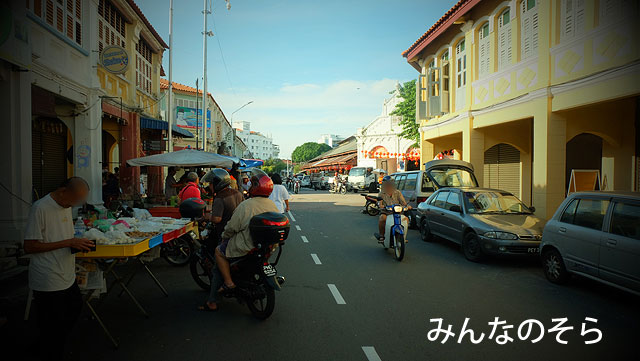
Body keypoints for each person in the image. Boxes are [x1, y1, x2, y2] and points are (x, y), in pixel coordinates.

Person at [23, 177, 95, 361]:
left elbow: (61, 235)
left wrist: (78, 243)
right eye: (75, 199)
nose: (76, 203)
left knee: (73, 309)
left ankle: (39, 348)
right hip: (47, 278)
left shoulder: (65, 206)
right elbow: (30, 246)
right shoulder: (41, 208)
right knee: (52, 328)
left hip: (66, 274)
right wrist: (69, 242)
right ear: (63, 191)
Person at [214, 170, 279, 294]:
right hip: (266, 247)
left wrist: (224, 236)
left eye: (251, 184)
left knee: (219, 251)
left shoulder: (246, 205)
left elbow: (232, 227)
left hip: (247, 246)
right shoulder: (272, 205)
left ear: (255, 187)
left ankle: (228, 282)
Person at [198, 168, 244, 312]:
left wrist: (206, 217)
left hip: (226, 236)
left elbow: (217, 218)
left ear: (217, 183)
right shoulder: (237, 193)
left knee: (217, 268)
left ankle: (212, 302)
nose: (209, 187)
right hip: (240, 235)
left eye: (211, 184)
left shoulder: (220, 198)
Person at [374, 176, 410, 243]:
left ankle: (403, 237)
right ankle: (382, 236)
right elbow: (379, 202)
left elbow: (403, 202)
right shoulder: (381, 193)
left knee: (406, 220)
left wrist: (407, 206)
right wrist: (380, 205)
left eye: (390, 184)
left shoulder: (398, 193)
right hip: (386, 213)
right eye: (387, 184)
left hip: (397, 213)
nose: (389, 185)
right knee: (382, 218)